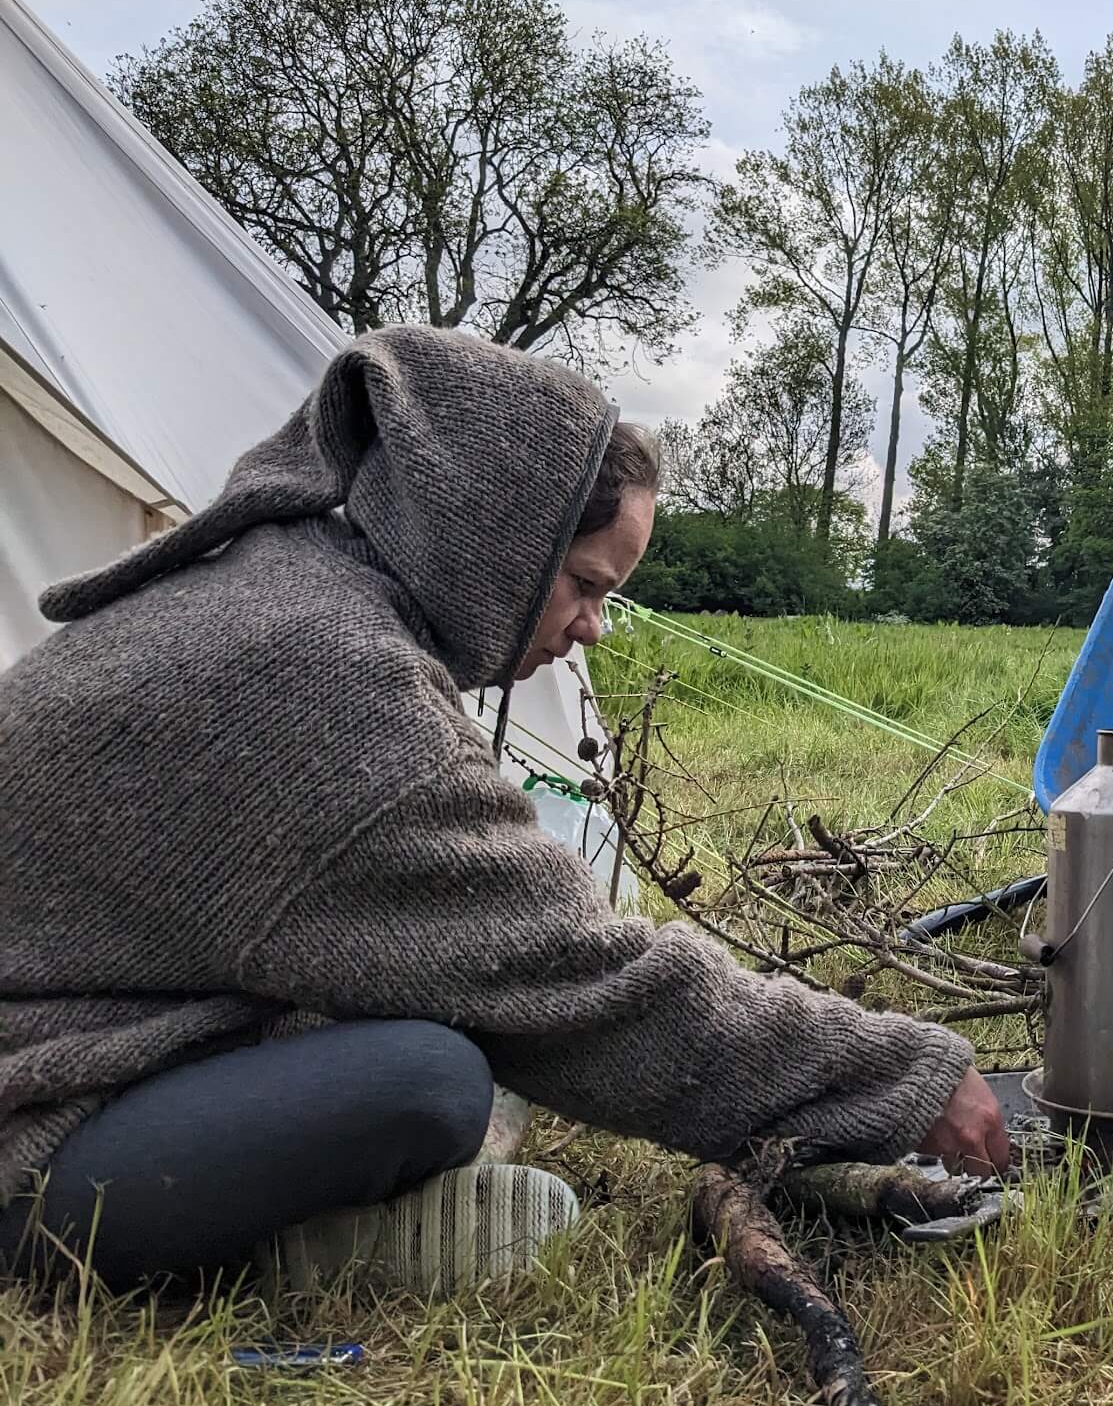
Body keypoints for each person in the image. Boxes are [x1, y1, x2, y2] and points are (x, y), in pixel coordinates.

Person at [0, 326, 1009, 1294]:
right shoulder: (320, 678)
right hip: (29, 1128)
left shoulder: (284, 591)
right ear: (495, 539)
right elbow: (585, 983)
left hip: (95, 1021)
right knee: (427, 1075)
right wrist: (904, 1080)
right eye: (583, 584)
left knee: (443, 1010)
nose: (594, 629)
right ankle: (281, 1252)